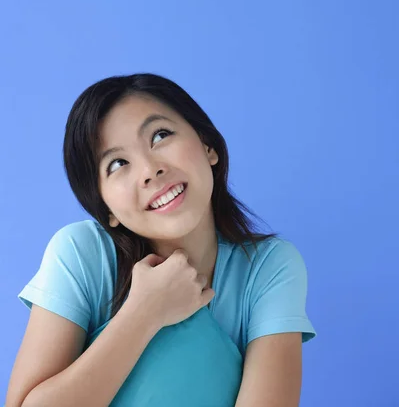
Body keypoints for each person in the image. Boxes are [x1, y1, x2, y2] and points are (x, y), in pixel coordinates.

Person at [6, 72, 316, 407]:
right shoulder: (82, 253)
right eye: (117, 163)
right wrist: (144, 313)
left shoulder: (268, 267)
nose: (150, 170)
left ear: (207, 145)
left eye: (160, 135)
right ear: (106, 209)